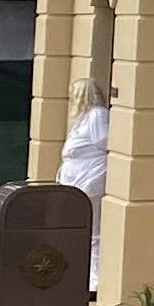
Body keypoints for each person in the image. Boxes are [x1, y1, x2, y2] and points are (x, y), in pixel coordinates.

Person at [58, 83, 112, 294]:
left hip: (90, 179)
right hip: (78, 180)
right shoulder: (84, 118)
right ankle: (83, 276)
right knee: (82, 230)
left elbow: (105, 142)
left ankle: (94, 282)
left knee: (94, 233)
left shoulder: (98, 116)